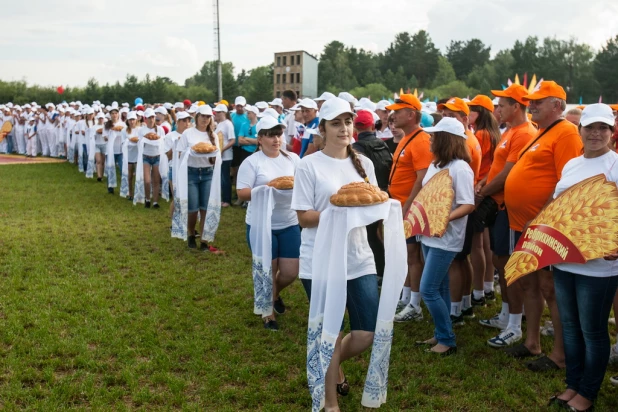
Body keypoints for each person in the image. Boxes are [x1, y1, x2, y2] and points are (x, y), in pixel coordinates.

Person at [292, 97, 379, 410]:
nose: (344, 128)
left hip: (359, 257)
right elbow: (304, 217)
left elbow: (372, 206)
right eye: (336, 123)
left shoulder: (364, 163)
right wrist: (338, 210)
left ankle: (329, 363)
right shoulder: (308, 165)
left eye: (348, 121)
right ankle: (330, 403)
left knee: (366, 333)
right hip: (321, 259)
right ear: (323, 129)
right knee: (330, 333)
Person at [540, 103, 618, 411]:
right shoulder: (572, 164)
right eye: (591, 127)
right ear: (580, 130)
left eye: (603, 128)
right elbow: (558, 205)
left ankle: (587, 394)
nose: (596, 133)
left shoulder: (615, 165)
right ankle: (573, 384)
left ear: (612, 132)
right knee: (569, 325)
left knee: (593, 330)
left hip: (599, 266)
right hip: (564, 259)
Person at [503, 80, 583, 372]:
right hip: (523, 223)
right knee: (528, 283)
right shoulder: (543, 132)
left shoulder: (566, 134)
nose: (531, 105)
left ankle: (560, 355)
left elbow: (568, 183)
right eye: (531, 101)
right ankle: (532, 342)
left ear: (557, 106)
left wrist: (542, 219)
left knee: (550, 288)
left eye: (538, 101)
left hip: (545, 227)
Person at [476, 84, 536, 348]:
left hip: (509, 209)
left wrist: (482, 192)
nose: (496, 109)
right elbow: (497, 167)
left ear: (516, 106)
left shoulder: (523, 134)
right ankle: (507, 314)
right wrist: (484, 185)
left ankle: (514, 324)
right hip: (501, 206)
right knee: (500, 261)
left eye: (501, 105)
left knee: (510, 267)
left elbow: (508, 173)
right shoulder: (510, 131)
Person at [415, 117, 475, 355]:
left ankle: (447, 339)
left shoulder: (460, 168)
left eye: (434, 136)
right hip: (429, 234)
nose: (429, 139)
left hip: (446, 238)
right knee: (439, 288)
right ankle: (441, 333)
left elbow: (467, 204)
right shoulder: (436, 164)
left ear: (445, 140)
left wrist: (443, 218)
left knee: (428, 289)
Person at [237, 116, 301, 330]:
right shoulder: (252, 162)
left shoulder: (293, 159)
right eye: (271, 135)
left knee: (291, 271)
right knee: (268, 269)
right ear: (260, 138)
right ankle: (268, 314)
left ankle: (273, 295)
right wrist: (265, 190)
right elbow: (241, 192)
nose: (276, 139)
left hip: (289, 221)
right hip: (261, 223)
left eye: (279, 134)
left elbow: (303, 185)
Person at [387, 94, 433, 323]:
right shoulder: (408, 137)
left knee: (413, 256)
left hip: (410, 208)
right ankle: (406, 297)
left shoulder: (421, 140)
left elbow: (422, 177)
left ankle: (415, 304)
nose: (392, 115)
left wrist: (408, 206)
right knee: (406, 254)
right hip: (400, 205)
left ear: (411, 114)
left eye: (397, 111)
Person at [438, 97, 482, 325]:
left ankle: (455, 309)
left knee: (456, 260)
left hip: (459, 208)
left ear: (465, 119)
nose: (446, 119)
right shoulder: (469, 139)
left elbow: (462, 183)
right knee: (462, 259)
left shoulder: (467, 144)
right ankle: (463, 303)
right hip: (461, 206)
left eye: (452, 115)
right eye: (444, 115)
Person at [467, 95, 502, 310]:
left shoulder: (481, 134)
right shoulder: (494, 132)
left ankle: (479, 290)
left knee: (477, 245)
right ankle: (487, 287)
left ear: (479, 113)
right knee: (486, 244)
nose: (468, 114)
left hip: (480, 192)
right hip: (488, 192)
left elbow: (483, 167)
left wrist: (478, 187)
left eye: (471, 110)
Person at [352, 110, 393, 281]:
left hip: (367, 196)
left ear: (355, 127)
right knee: (376, 234)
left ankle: (377, 272)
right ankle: (383, 270)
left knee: (368, 236)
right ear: (371, 125)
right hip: (385, 193)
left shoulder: (356, 148)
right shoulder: (383, 144)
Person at [176, 105, 223, 253]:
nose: (205, 119)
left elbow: (216, 155)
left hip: (207, 173)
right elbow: (179, 154)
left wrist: (214, 157)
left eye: (208, 117)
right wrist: (191, 152)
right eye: (203, 116)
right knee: (193, 208)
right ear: (197, 116)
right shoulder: (188, 133)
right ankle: (191, 233)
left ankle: (203, 239)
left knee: (205, 208)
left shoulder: (213, 136)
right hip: (192, 173)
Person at [137, 108, 164, 209]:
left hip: (157, 156)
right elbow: (140, 144)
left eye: (152, 117)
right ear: (145, 119)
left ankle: (155, 201)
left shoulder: (160, 129)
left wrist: (154, 139)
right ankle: (147, 198)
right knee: (147, 180)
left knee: (156, 180)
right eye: (149, 118)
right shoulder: (142, 130)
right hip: (146, 156)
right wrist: (146, 138)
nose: (151, 119)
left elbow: (162, 142)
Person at [214, 104, 236, 208]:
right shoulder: (219, 124)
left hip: (226, 156)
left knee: (225, 178)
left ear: (224, 113)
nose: (216, 114)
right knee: (221, 178)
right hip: (220, 155)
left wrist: (223, 149)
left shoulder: (228, 124)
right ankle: (223, 198)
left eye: (218, 112)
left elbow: (232, 140)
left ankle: (227, 199)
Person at [104, 104, 125, 194]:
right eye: (112, 113)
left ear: (118, 114)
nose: (114, 115)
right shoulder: (107, 124)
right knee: (110, 168)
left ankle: (124, 187)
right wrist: (112, 136)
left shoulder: (122, 124)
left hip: (120, 150)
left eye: (116, 113)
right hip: (111, 150)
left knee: (122, 169)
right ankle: (110, 187)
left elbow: (125, 134)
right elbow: (104, 136)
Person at [122, 112, 140, 200]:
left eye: (133, 120)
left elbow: (141, 140)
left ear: (136, 120)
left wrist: (133, 140)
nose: (132, 122)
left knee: (138, 175)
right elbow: (123, 142)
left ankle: (138, 192)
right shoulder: (124, 130)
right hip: (128, 155)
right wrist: (131, 140)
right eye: (130, 120)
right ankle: (130, 192)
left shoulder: (139, 129)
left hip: (137, 154)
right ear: (128, 121)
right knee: (129, 175)